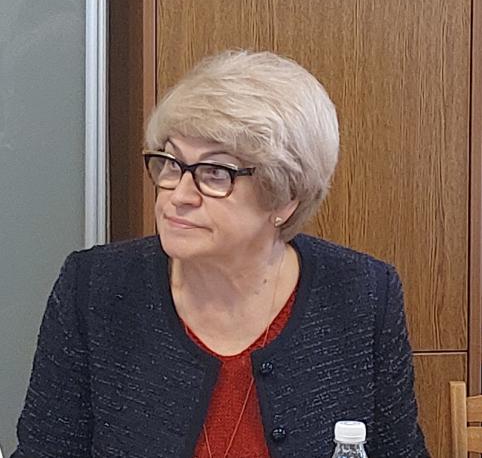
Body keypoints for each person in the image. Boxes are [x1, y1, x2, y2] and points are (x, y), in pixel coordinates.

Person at [12, 50, 428, 457]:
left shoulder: (361, 294)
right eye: (171, 163)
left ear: (285, 198)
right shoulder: (95, 288)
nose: (179, 195)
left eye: (214, 172)